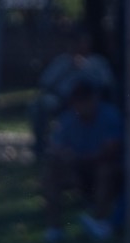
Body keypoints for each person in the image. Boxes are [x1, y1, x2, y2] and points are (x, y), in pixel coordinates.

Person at [40, 80, 123, 243]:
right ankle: (54, 230)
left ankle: (99, 225)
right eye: (79, 101)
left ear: (95, 99)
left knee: (105, 170)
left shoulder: (109, 115)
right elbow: (55, 147)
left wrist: (79, 158)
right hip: (77, 169)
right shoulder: (68, 118)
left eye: (87, 100)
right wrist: (65, 155)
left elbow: (110, 150)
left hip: (105, 168)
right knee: (51, 173)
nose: (83, 105)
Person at [33, 27, 116, 158]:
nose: (81, 45)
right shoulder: (62, 61)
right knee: (40, 104)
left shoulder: (97, 62)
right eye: (78, 42)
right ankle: (40, 146)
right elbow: (45, 82)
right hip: (63, 100)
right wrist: (69, 66)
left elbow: (105, 84)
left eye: (84, 41)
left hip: (88, 100)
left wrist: (85, 68)